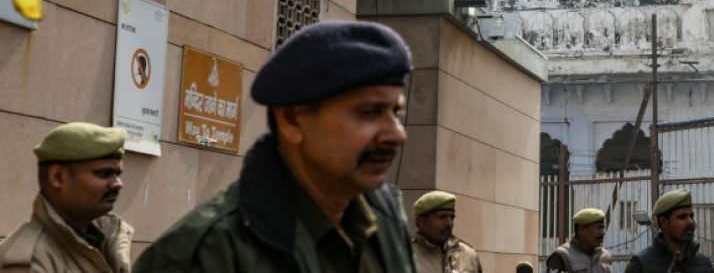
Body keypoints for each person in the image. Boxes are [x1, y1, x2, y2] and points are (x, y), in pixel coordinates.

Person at [134, 21, 418, 272]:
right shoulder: (204, 253)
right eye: (368, 112)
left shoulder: (385, 217)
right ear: (293, 120)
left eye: (396, 112)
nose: (396, 134)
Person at [0, 122, 133, 272]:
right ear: (57, 177)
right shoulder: (32, 262)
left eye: (117, 174)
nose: (117, 184)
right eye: (104, 173)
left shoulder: (105, 240)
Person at [624, 189, 713, 273]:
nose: (690, 222)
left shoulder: (703, 264)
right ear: (664, 221)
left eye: (691, 216)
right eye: (682, 217)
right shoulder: (641, 265)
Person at [411, 190, 482, 273]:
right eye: (442, 217)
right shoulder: (403, 257)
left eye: (452, 217)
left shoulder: (468, 255)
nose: (449, 223)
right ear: (421, 222)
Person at [545, 208, 612, 272]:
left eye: (603, 228)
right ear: (581, 229)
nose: (603, 233)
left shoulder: (605, 256)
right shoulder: (562, 256)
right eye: (599, 228)